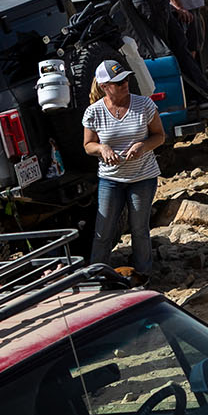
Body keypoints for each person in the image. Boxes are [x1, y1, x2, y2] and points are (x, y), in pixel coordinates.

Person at [81, 58, 165, 282]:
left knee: (139, 228)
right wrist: (102, 148)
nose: (125, 84)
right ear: (104, 86)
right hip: (111, 178)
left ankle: (143, 275)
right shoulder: (94, 112)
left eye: (126, 79)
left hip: (143, 176)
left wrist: (142, 146)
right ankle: (97, 276)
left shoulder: (144, 105)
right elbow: (88, 145)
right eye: (118, 82)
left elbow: (159, 136)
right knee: (103, 229)